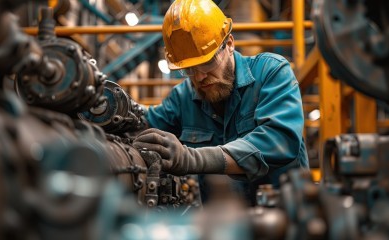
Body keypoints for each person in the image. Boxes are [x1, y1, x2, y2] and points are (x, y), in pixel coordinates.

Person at [132, 0, 309, 205]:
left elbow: (279, 140)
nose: (199, 78)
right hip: (222, 226)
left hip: (285, 221)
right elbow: (141, 122)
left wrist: (192, 158)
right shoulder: (183, 97)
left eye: (207, 63)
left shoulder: (271, 72)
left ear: (230, 43)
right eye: (189, 69)